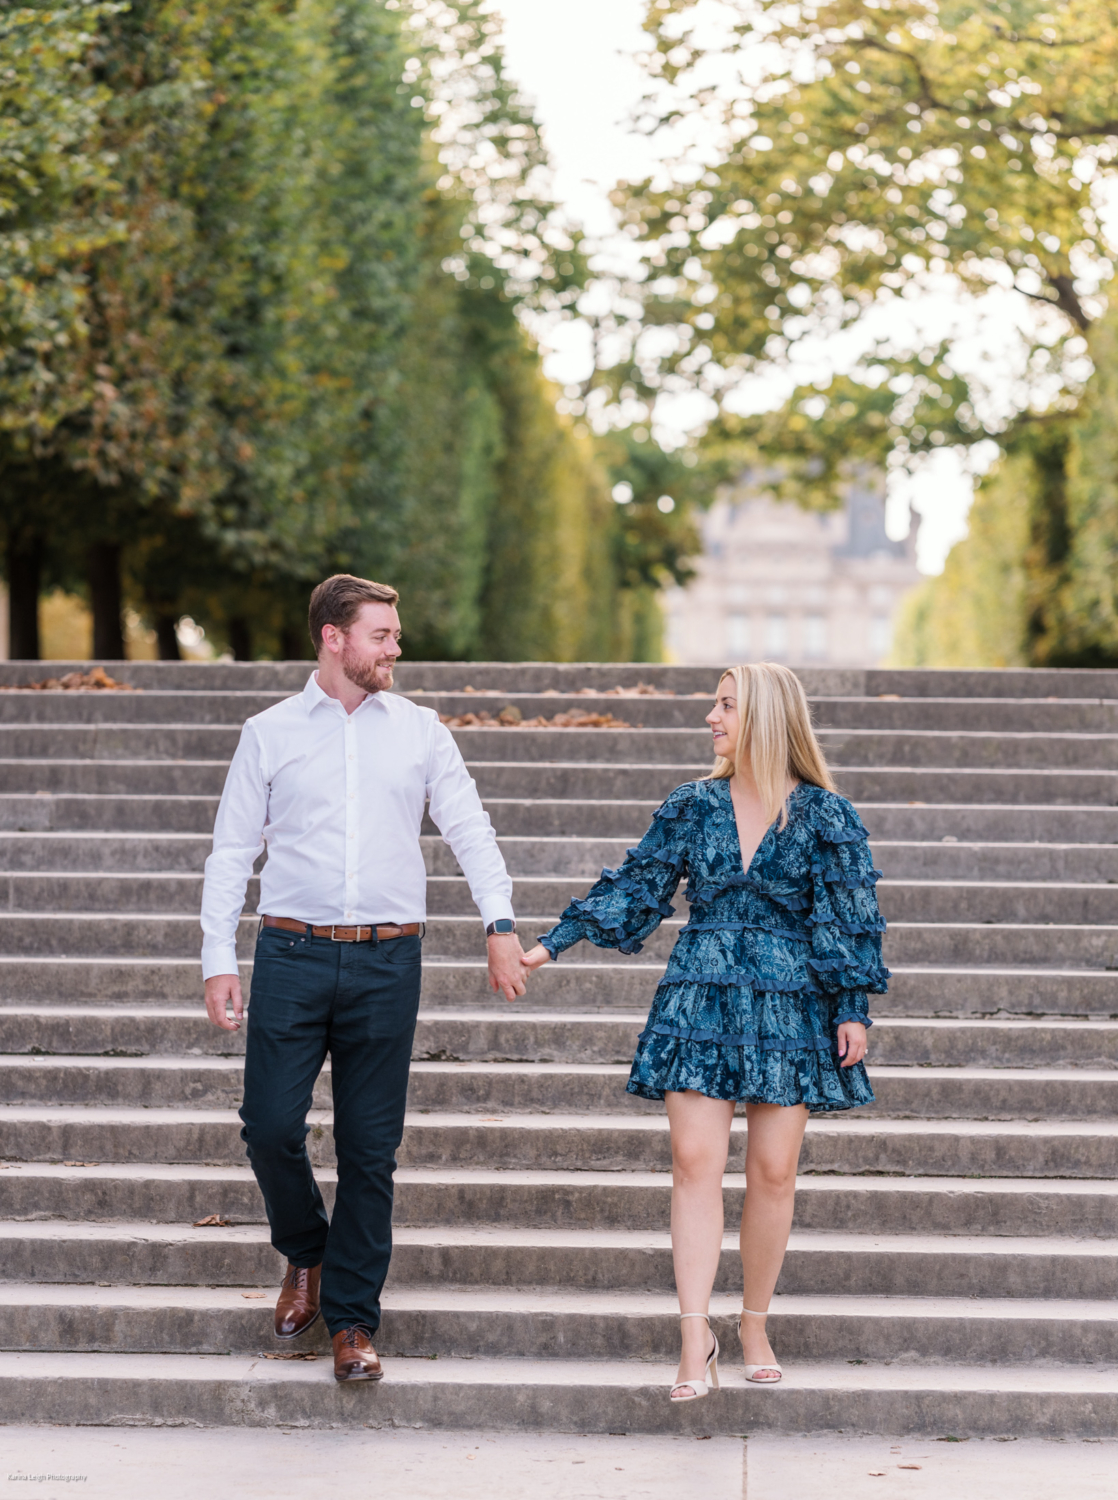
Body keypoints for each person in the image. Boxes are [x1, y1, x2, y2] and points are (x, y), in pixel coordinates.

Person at [521, 662, 887, 1402]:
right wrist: (550, 943)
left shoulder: (827, 815)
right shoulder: (691, 805)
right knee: (694, 1163)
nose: (710, 718)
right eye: (714, 704)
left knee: (773, 1174)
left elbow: (847, 914)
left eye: (724, 705)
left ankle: (753, 1323)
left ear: (764, 716)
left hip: (791, 1005)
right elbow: (637, 886)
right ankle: (695, 1338)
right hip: (701, 997)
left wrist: (851, 1004)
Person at [200, 574, 528, 1382]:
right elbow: (232, 851)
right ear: (333, 637)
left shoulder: (420, 731)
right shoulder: (269, 732)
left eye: (395, 633)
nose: (395, 647)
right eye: (381, 634)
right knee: (268, 1125)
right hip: (292, 952)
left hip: (388, 959)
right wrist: (218, 956)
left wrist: (500, 922)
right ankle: (306, 1253)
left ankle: (351, 1322)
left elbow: (469, 828)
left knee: (370, 1148)